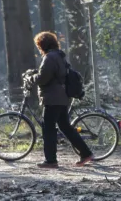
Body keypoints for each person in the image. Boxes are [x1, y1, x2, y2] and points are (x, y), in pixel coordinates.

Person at [29, 32, 93, 169]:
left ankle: (51, 160)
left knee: (48, 128)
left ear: (42, 45)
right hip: (62, 97)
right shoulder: (59, 55)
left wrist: (32, 78)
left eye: (38, 46)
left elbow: (43, 78)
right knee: (65, 127)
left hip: (53, 98)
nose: (38, 48)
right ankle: (86, 153)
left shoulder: (49, 57)